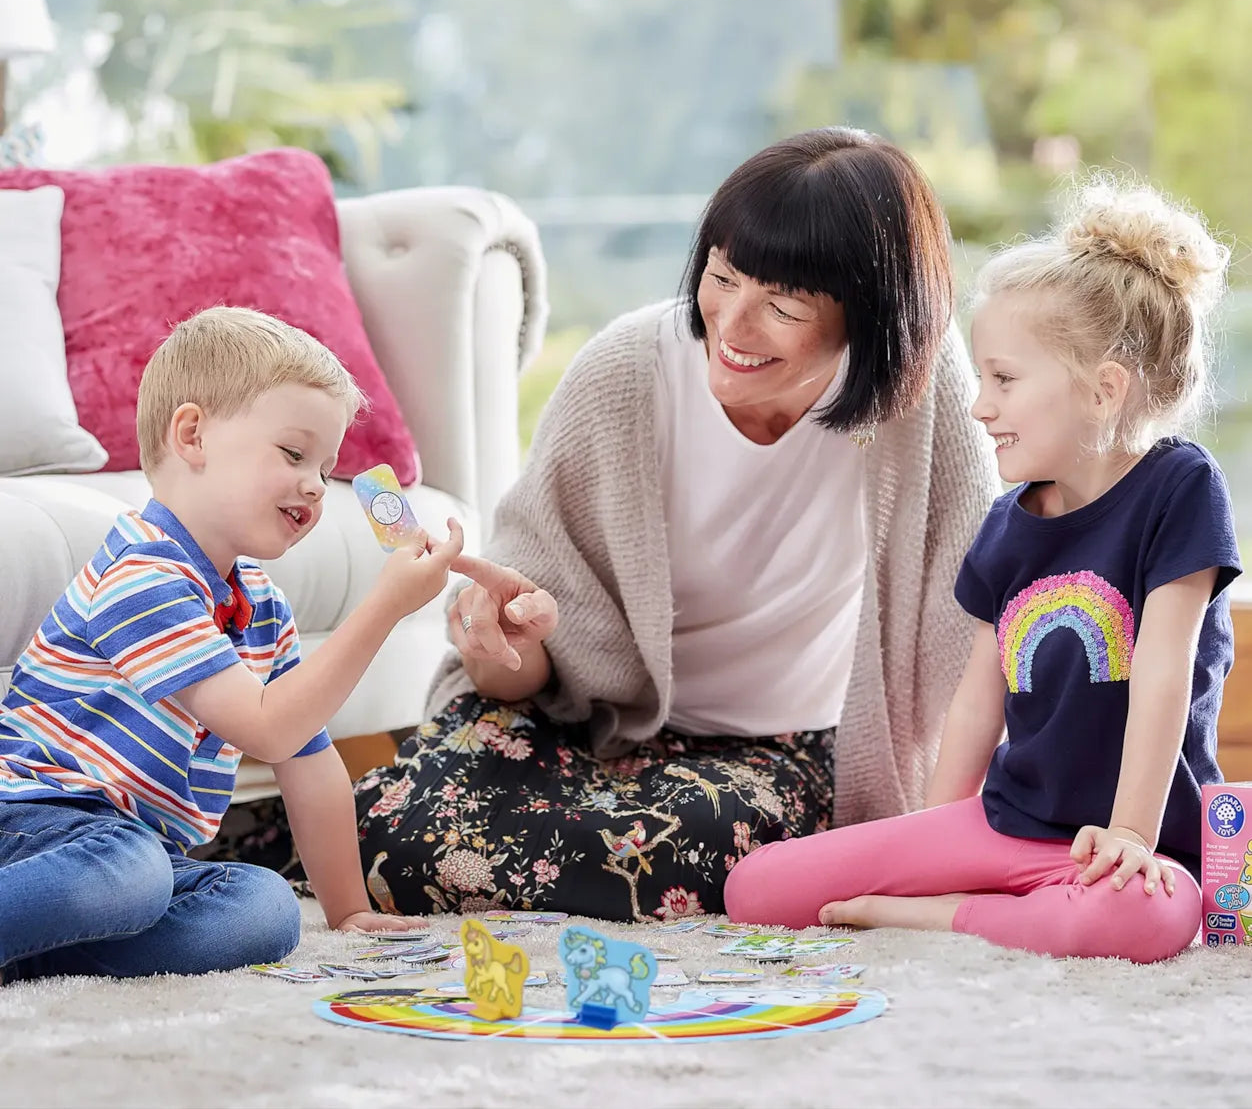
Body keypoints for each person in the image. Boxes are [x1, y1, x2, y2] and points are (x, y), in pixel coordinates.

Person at [353, 126, 1000, 922]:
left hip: (780, 751)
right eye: (723, 277)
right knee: (404, 834)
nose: (732, 324)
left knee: (680, 856)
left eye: (784, 306)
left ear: (871, 315)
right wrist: (506, 644)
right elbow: (515, 679)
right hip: (588, 729)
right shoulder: (625, 372)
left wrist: (942, 842)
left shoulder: (922, 399)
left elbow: (974, 631)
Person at [724, 175, 1241, 963]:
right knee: (755, 888)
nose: (978, 405)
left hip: (1127, 848)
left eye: (1003, 379)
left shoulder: (1179, 488)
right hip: (1009, 827)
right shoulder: (1007, 523)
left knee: (1151, 919)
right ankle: (980, 902)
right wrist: (928, 841)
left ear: (1103, 391)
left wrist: (1131, 832)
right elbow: (978, 701)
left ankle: (936, 919)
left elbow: (1164, 671)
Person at [0, 308, 457, 982]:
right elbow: (268, 728)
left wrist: (349, 910)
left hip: (139, 850)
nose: (314, 483)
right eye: (294, 454)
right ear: (193, 435)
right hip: (34, 826)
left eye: (326, 467)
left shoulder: (261, 605)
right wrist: (384, 606)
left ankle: (32, 950)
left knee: (264, 907)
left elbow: (307, 758)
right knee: (132, 875)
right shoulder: (144, 574)